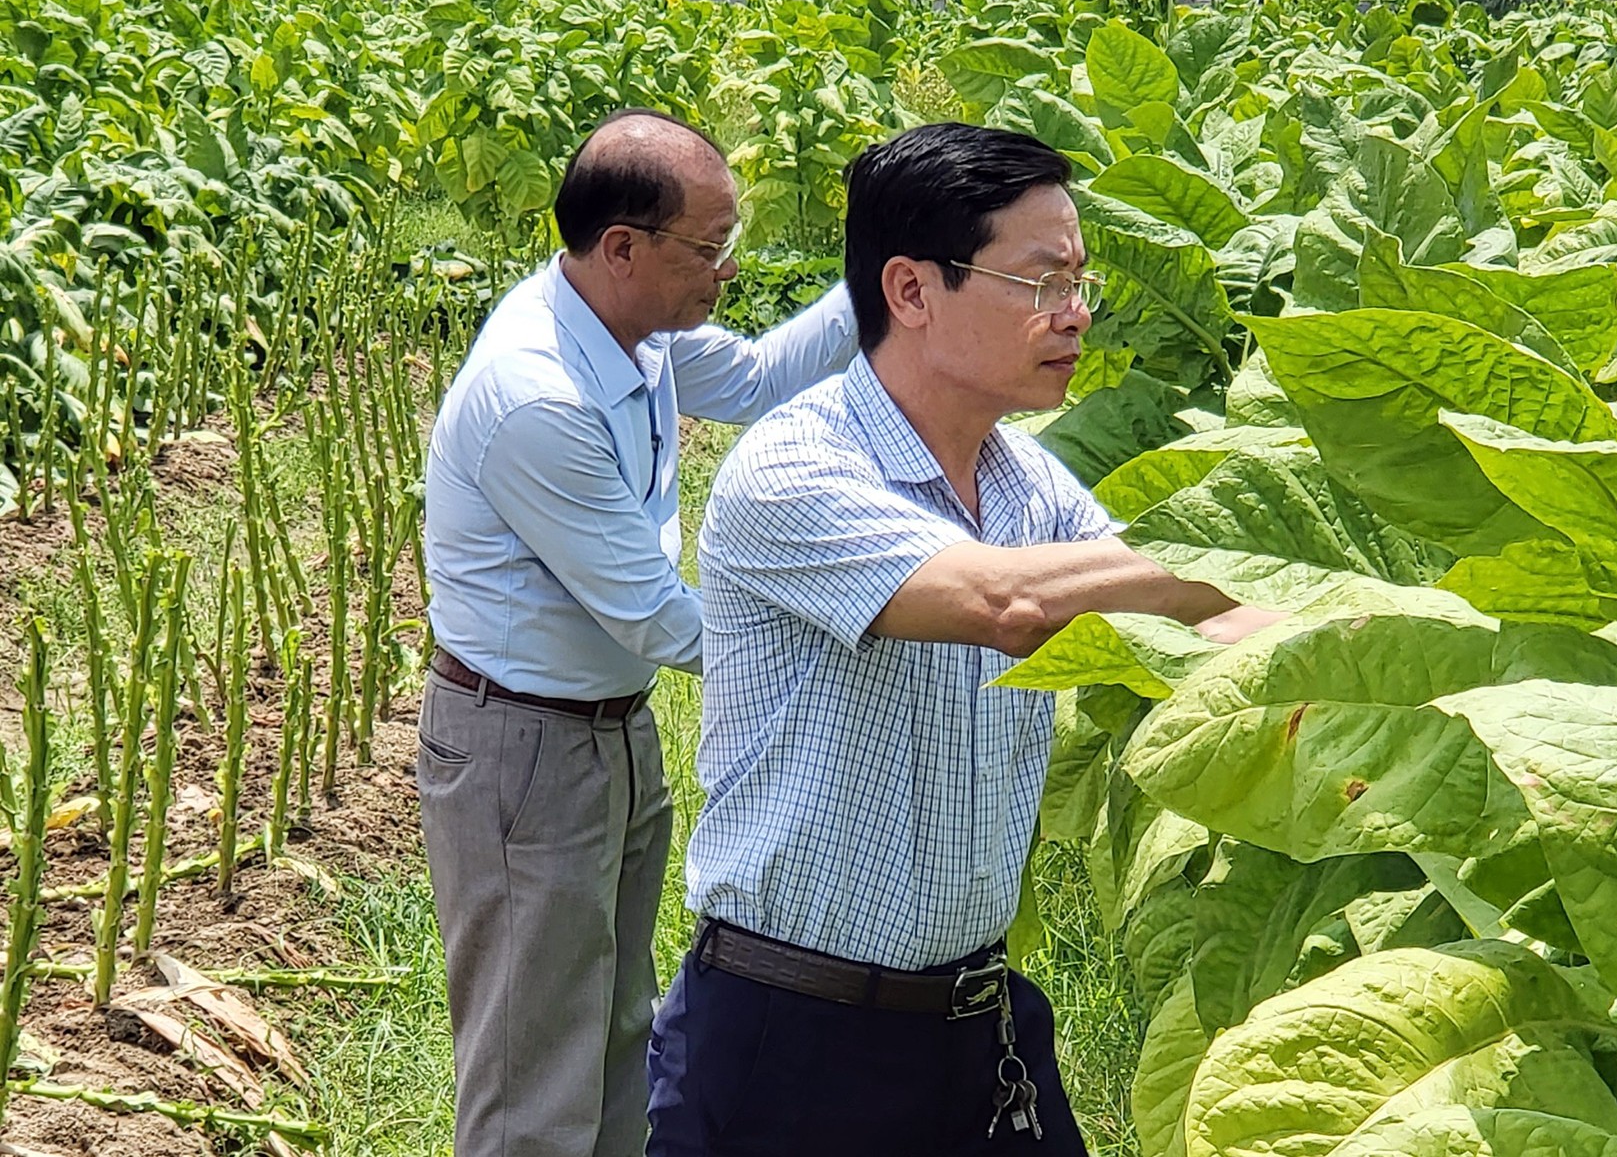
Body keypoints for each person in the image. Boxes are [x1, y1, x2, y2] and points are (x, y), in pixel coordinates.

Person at [645, 122, 1283, 1157]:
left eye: (1081, 281)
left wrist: (1371, 642)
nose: (1073, 314)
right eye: (1040, 283)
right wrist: (1241, 563)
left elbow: (1189, 608)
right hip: (790, 1037)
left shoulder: (1026, 482)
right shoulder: (792, 469)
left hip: (972, 1026)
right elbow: (1000, 604)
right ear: (909, 291)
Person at [419, 107, 858, 1157]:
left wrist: (881, 262)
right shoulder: (539, 394)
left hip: (607, 729)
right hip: (523, 751)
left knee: (618, 1032)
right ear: (621, 248)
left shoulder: (627, 330)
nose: (725, 274)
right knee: (533, 1075)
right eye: (707, 250)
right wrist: (859, 628)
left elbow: (753, 381)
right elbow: (658, 617)